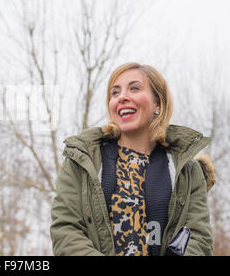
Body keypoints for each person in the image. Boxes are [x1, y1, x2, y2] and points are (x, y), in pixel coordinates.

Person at [51, 62, 216, 256]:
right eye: (115, 93)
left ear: (158, 103)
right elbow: (66, 231)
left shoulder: (186, 170)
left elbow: (199, 239)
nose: (122, 97)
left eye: (134, 88)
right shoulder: (82, 160)